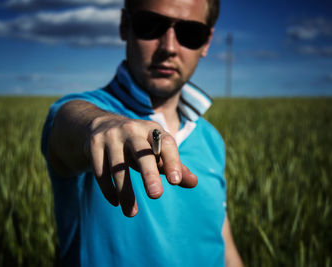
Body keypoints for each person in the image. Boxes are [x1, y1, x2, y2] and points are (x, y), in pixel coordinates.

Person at [41, 0, 243, 266]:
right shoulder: (84, 116)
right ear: (125, 25)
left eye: (190, 33)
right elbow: (68, 125)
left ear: (207, 42)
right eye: (151, 25)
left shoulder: (211, 138)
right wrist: (100, 125)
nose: (169, 48)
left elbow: (220, 238)